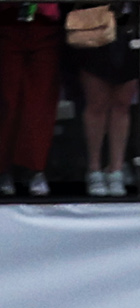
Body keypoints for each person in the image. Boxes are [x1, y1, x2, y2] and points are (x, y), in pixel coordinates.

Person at [69, 0, 137, 189]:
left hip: (130, 25)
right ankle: (94, 169)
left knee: (122, 103)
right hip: (93, 22)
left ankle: (116, 169)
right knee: (97, 103)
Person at [0, 0, 64, 199]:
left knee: (39, 103)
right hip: (5, 23)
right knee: (7, 101)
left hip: (44, 24)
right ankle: (3, 170)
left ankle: (36, 169)